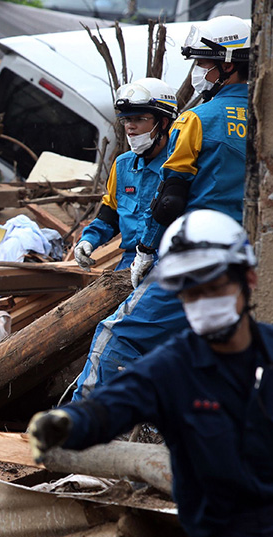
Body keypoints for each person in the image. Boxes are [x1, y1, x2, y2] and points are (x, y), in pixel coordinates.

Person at [29, 210, 273, 537]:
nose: (202, 301)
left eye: (213, 286)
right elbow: (109, 406)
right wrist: (66, 423)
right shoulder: (171, 369)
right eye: (190, 291)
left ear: (248, 278)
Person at [71, 78, 189, 399]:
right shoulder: (123, 165)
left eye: (139, 119)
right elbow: (109, 213)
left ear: (164, 122)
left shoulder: (179, 170)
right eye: (126, 121)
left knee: (122, 338)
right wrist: (89, 240)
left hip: (164, 268)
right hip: (126, 269)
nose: (131, 128)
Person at [140, 15, 250, 282]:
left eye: (201, 62)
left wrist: (145, 249)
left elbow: (170, 199)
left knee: (123, 325)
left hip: (200, 248)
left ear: (227, 65)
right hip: (251, 247)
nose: (197, 71)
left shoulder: (195, 119)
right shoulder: (269, 117)